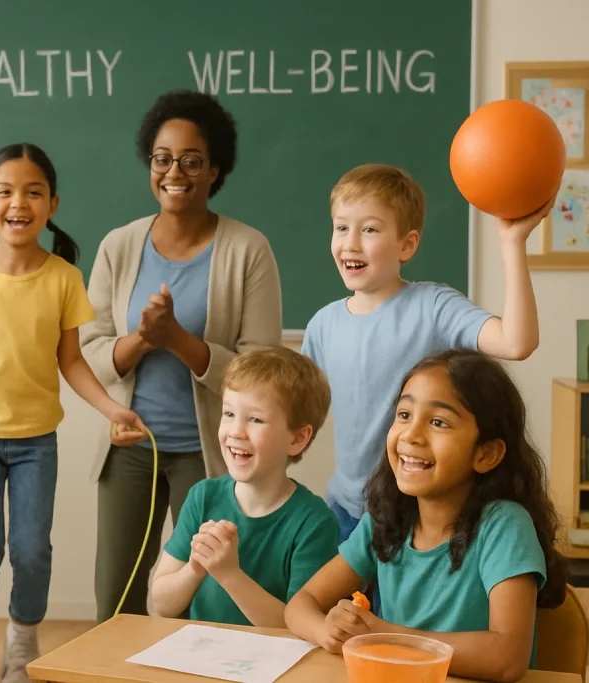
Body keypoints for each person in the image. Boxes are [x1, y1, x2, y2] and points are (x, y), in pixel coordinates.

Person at [0, 142, 145, 683]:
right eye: (5, 191)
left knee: (30, 551)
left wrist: (114, 407)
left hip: (35, 443)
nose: (18, 203)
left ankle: (22, 643)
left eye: (33, 192)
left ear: (52, 204)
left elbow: (71, 360)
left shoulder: (64, 279)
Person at [80, 89, 283, 623]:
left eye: (192, 161)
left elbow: (261, 368)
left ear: (216, 169)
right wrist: (145, 340)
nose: (175, 172)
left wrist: (177, 339)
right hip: (131, 446)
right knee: (117, 602)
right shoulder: (118, 246)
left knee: (203, 600)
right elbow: (90, 350)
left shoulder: (248, 249)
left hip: (211, 453)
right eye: (163, 159)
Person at [301, 163, 553, 547]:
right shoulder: (323, 324)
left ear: (407, 244)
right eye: (340, 227)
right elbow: (297, 413)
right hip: (346, 511)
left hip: (418, 513)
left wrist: (512, 244)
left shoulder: (432, 306)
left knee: (393, 610)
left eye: (369, 229)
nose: (350, 243)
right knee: (337, 607)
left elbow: (517, 342)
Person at [285, 349, 568, 682]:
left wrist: (386, 635)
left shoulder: (504, 526)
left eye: (438, 422)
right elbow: (299, 605)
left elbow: (507, 658)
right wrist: (325, 630)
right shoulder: (384, 520)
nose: (411, 435)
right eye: (404, 414)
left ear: (486, 453)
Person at [150, 346, 339, 627]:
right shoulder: (203, 497)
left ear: (297, 438)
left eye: (255, 419)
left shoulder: (314, 523)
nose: (236, 431)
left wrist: (229, 574)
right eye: (228, 414)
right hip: (200, 656)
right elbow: (162, 604)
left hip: (276, 666)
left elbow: (300, 628)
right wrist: (195, 568)